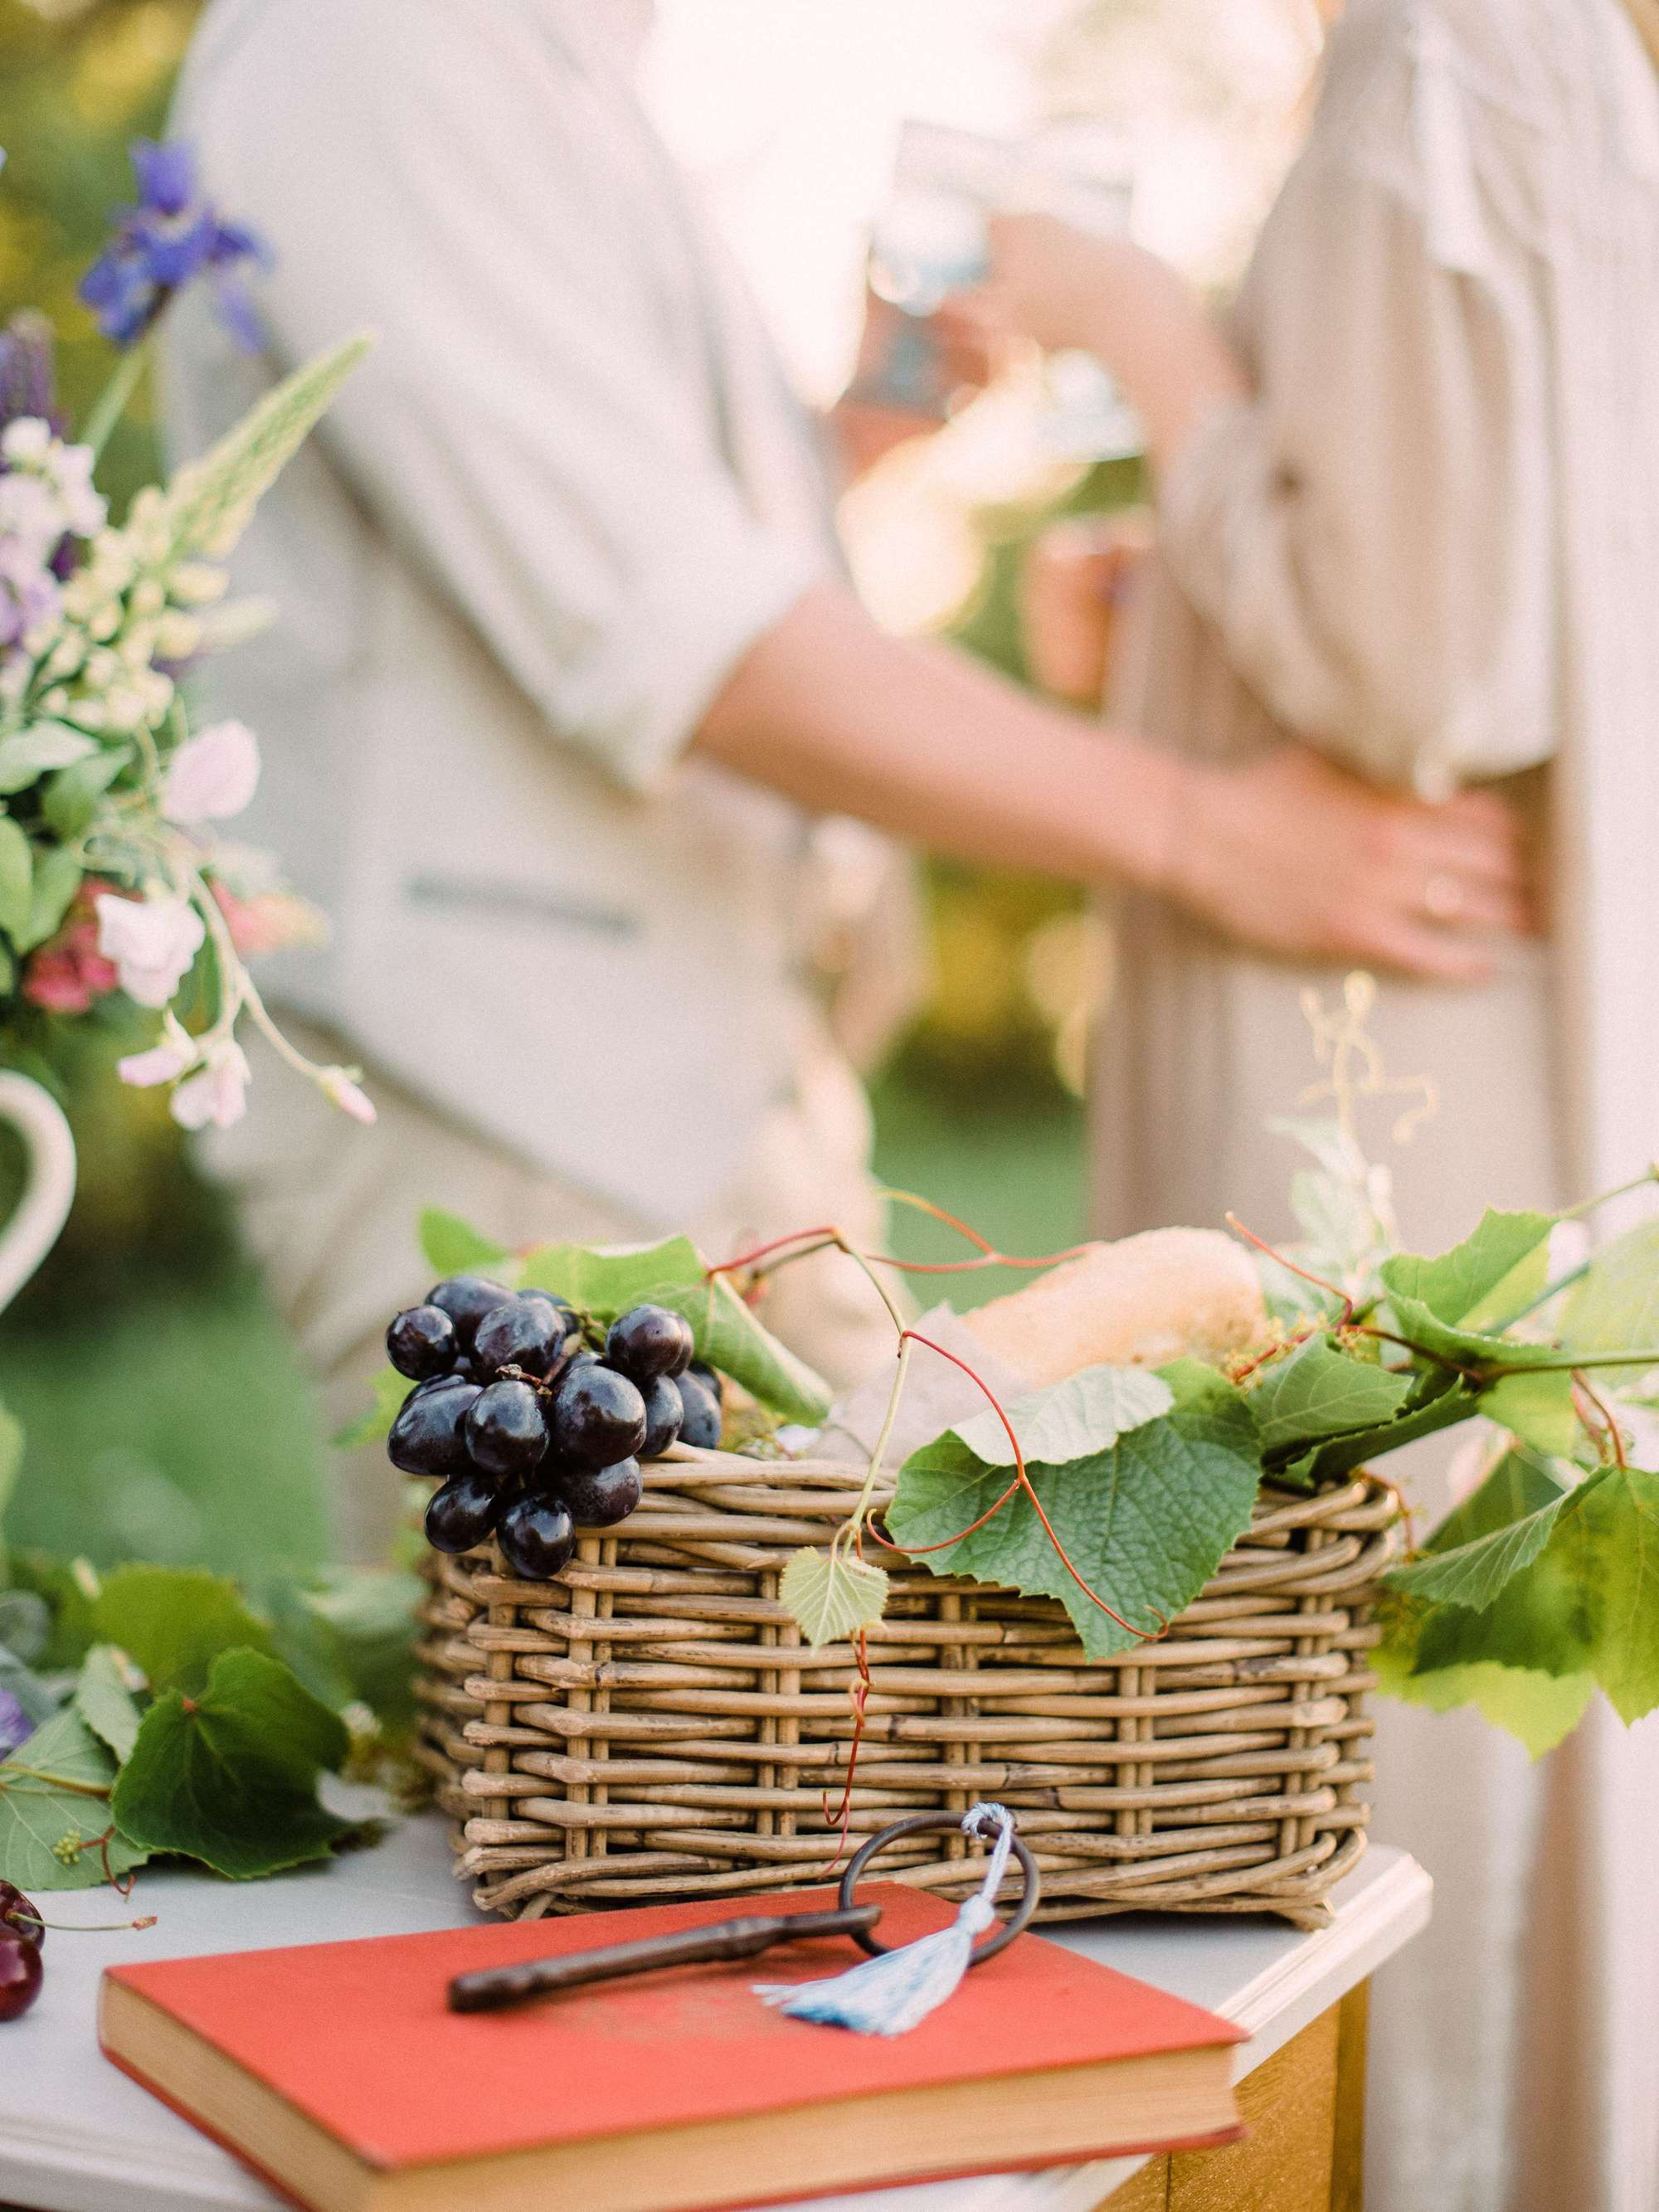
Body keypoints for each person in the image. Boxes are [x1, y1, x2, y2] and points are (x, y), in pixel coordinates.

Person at [162, 0, 1524, 1561]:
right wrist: (1209, 832)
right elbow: (684, 643)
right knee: (534, 1766)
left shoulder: (554, 75)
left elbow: (602, 533)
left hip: (727, 1099)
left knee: (796, 1745)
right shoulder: (378, 53)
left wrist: (850, 441)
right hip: (495, 1091)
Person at [980, 2, 1659, 2206]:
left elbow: (1429, 655)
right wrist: (1186, 600)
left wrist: (1154, 344)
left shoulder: (1450, 46)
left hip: (1386, 1071)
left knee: (1362, 1741)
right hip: (1415, 1039)